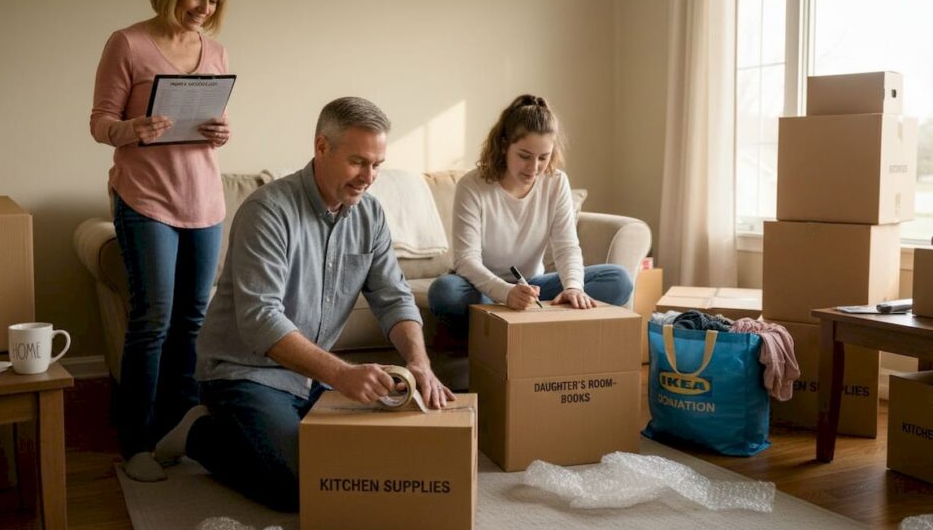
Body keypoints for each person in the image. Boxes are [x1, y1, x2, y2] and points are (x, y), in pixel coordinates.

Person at [152, 97, 454, 512]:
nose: (368, 177)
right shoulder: (268, 212)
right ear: (321, 147)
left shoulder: (371, 216)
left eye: (377, 164)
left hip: (312, 378)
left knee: (364, 468)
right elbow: (260, 320)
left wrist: (419, 362)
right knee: (300, 487)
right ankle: (197, 433)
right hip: (246, 373)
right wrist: (343, 374)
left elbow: (393, 298)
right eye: (358, 162)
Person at [89, 0, 231, 482]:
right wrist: (132, 129)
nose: (203, 7)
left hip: (205, 201)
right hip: (146, 199)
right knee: (152, 322)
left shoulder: (214, 53)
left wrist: (221, 132)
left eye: (213, 0)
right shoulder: (127, 43)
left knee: (192, 323)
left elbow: (207, 127)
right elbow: (101, 121)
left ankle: (177, 432)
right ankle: (137, 443)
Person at [427, 94, 634, 338]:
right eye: (524, 156)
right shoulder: (472, 186)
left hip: (533, 287)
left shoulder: (556, 183)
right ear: (504, 146)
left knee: (618, 279)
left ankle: (535, 330)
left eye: (543, 158)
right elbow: (466, 260)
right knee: (445, 292)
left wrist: (573, 287)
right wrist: (505, 293)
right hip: (481, 289)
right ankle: (505, 334)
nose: (533, 168)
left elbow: (566, 247)